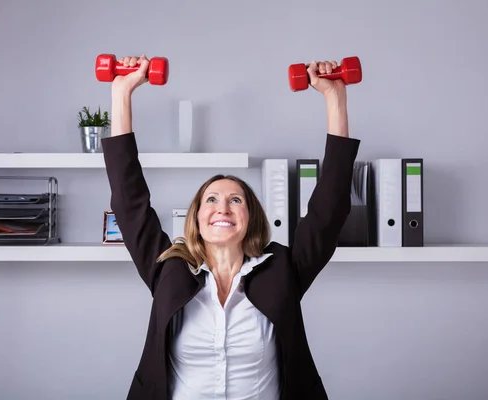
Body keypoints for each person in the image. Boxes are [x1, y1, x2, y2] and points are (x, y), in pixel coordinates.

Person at [101, 54, 361, 400]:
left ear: (250, 217)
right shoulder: (169, 269)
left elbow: (328, 210)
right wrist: (121, 92)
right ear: (196, 218)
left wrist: (335, 97)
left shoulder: (283, 269)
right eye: (211, 200)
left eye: (235, 200)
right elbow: (129, 202)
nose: (222, 207)